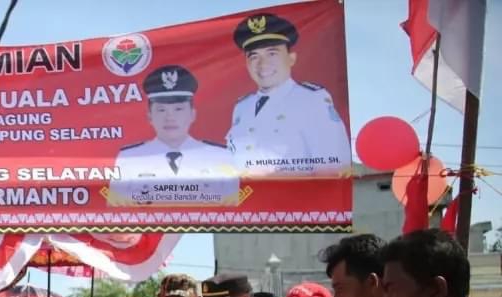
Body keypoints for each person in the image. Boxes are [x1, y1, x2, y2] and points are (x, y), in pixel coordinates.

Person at [226, 13, 351, 177]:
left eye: (272, 53)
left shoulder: (311, 99)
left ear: (291, 59)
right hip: (250, 200)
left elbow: (334, 167)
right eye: (254, 56)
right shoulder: (242, 107)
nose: (263, 64)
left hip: (296, 200)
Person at [110, 64, 239, 205]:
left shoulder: (219, 156)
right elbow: (117, 212)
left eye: (178, 109)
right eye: (161, 110)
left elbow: (233, 210)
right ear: (150, 117)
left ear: (192, 114)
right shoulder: (130, 157)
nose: (170, 117)